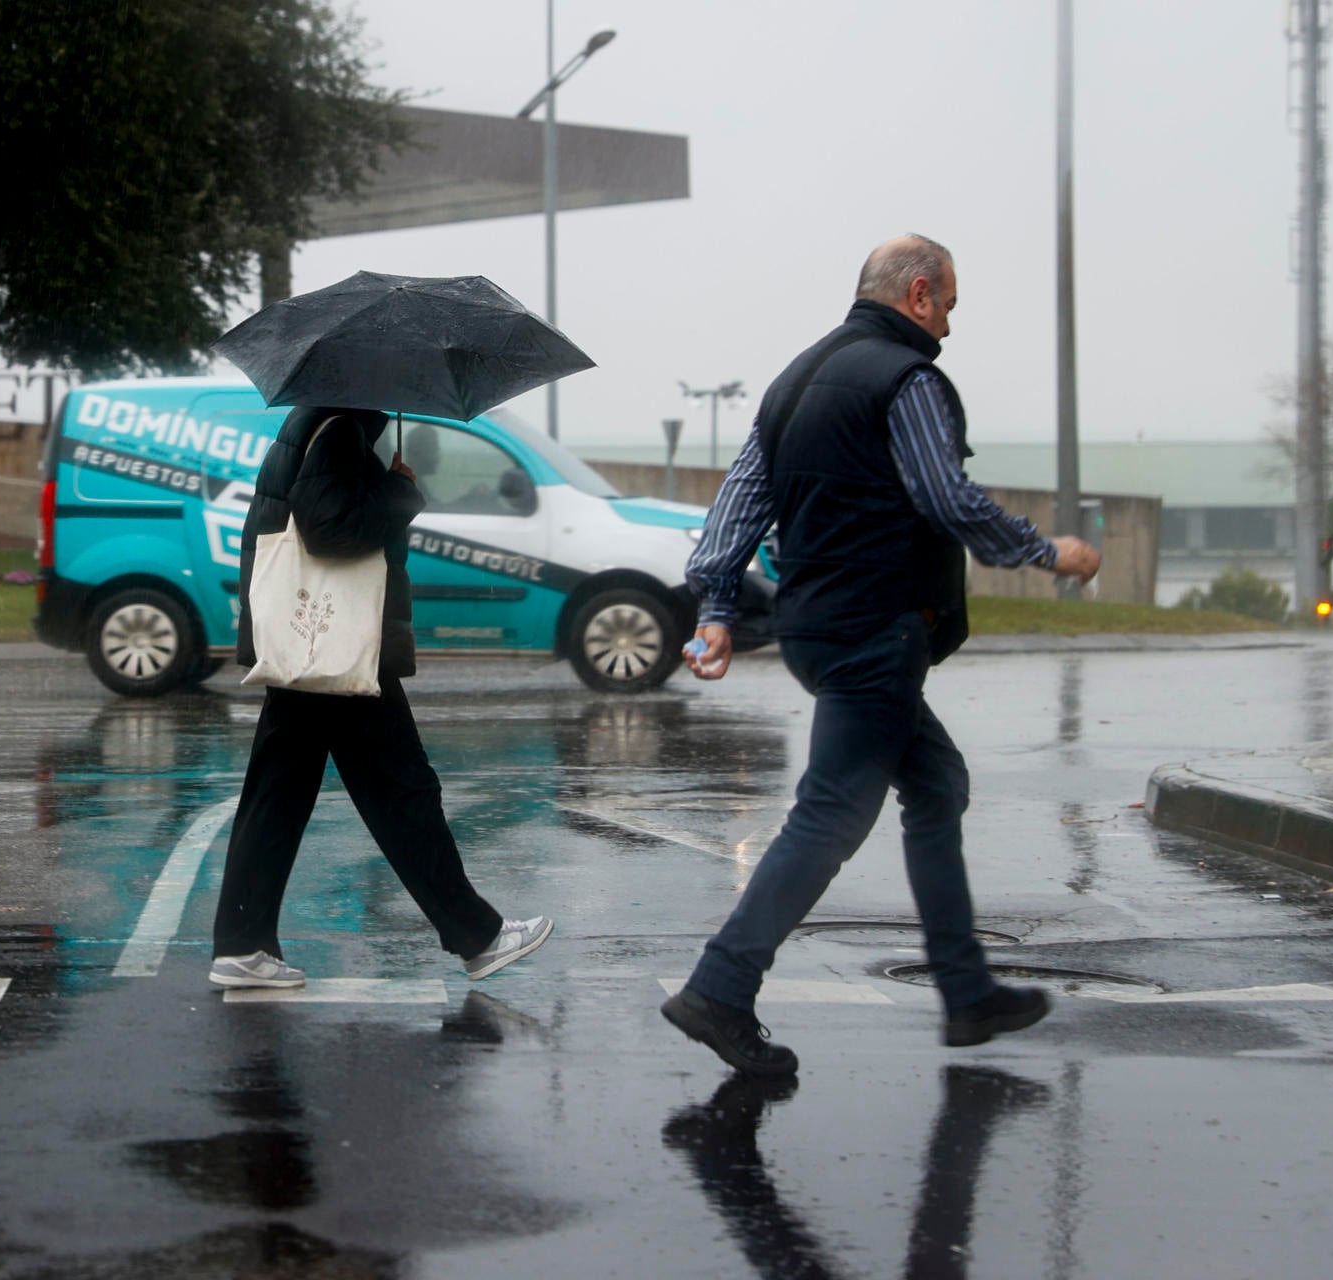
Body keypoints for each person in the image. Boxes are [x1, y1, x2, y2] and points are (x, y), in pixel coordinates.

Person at [661, 235, 1101, 1075]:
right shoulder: (908, 379)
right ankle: (719, 988)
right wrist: (1049, 553)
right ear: (922, 292)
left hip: (816, 630)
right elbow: (946, 498)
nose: (951, 328)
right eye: (952, 307)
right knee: (830, 815)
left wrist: (716, 605)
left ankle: (968, 995)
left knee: (937, 785)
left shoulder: (795, 380)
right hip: (873, 627)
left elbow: (740, 498)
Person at [209, 405, 552, 989]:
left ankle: (242, 945)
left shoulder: (314, 423)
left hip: (313, 645)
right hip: (339, 642)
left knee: (278, 795)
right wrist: (400, 490)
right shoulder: (339, 431)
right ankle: (477, 936)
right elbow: (329, 528)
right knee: (401, 791)